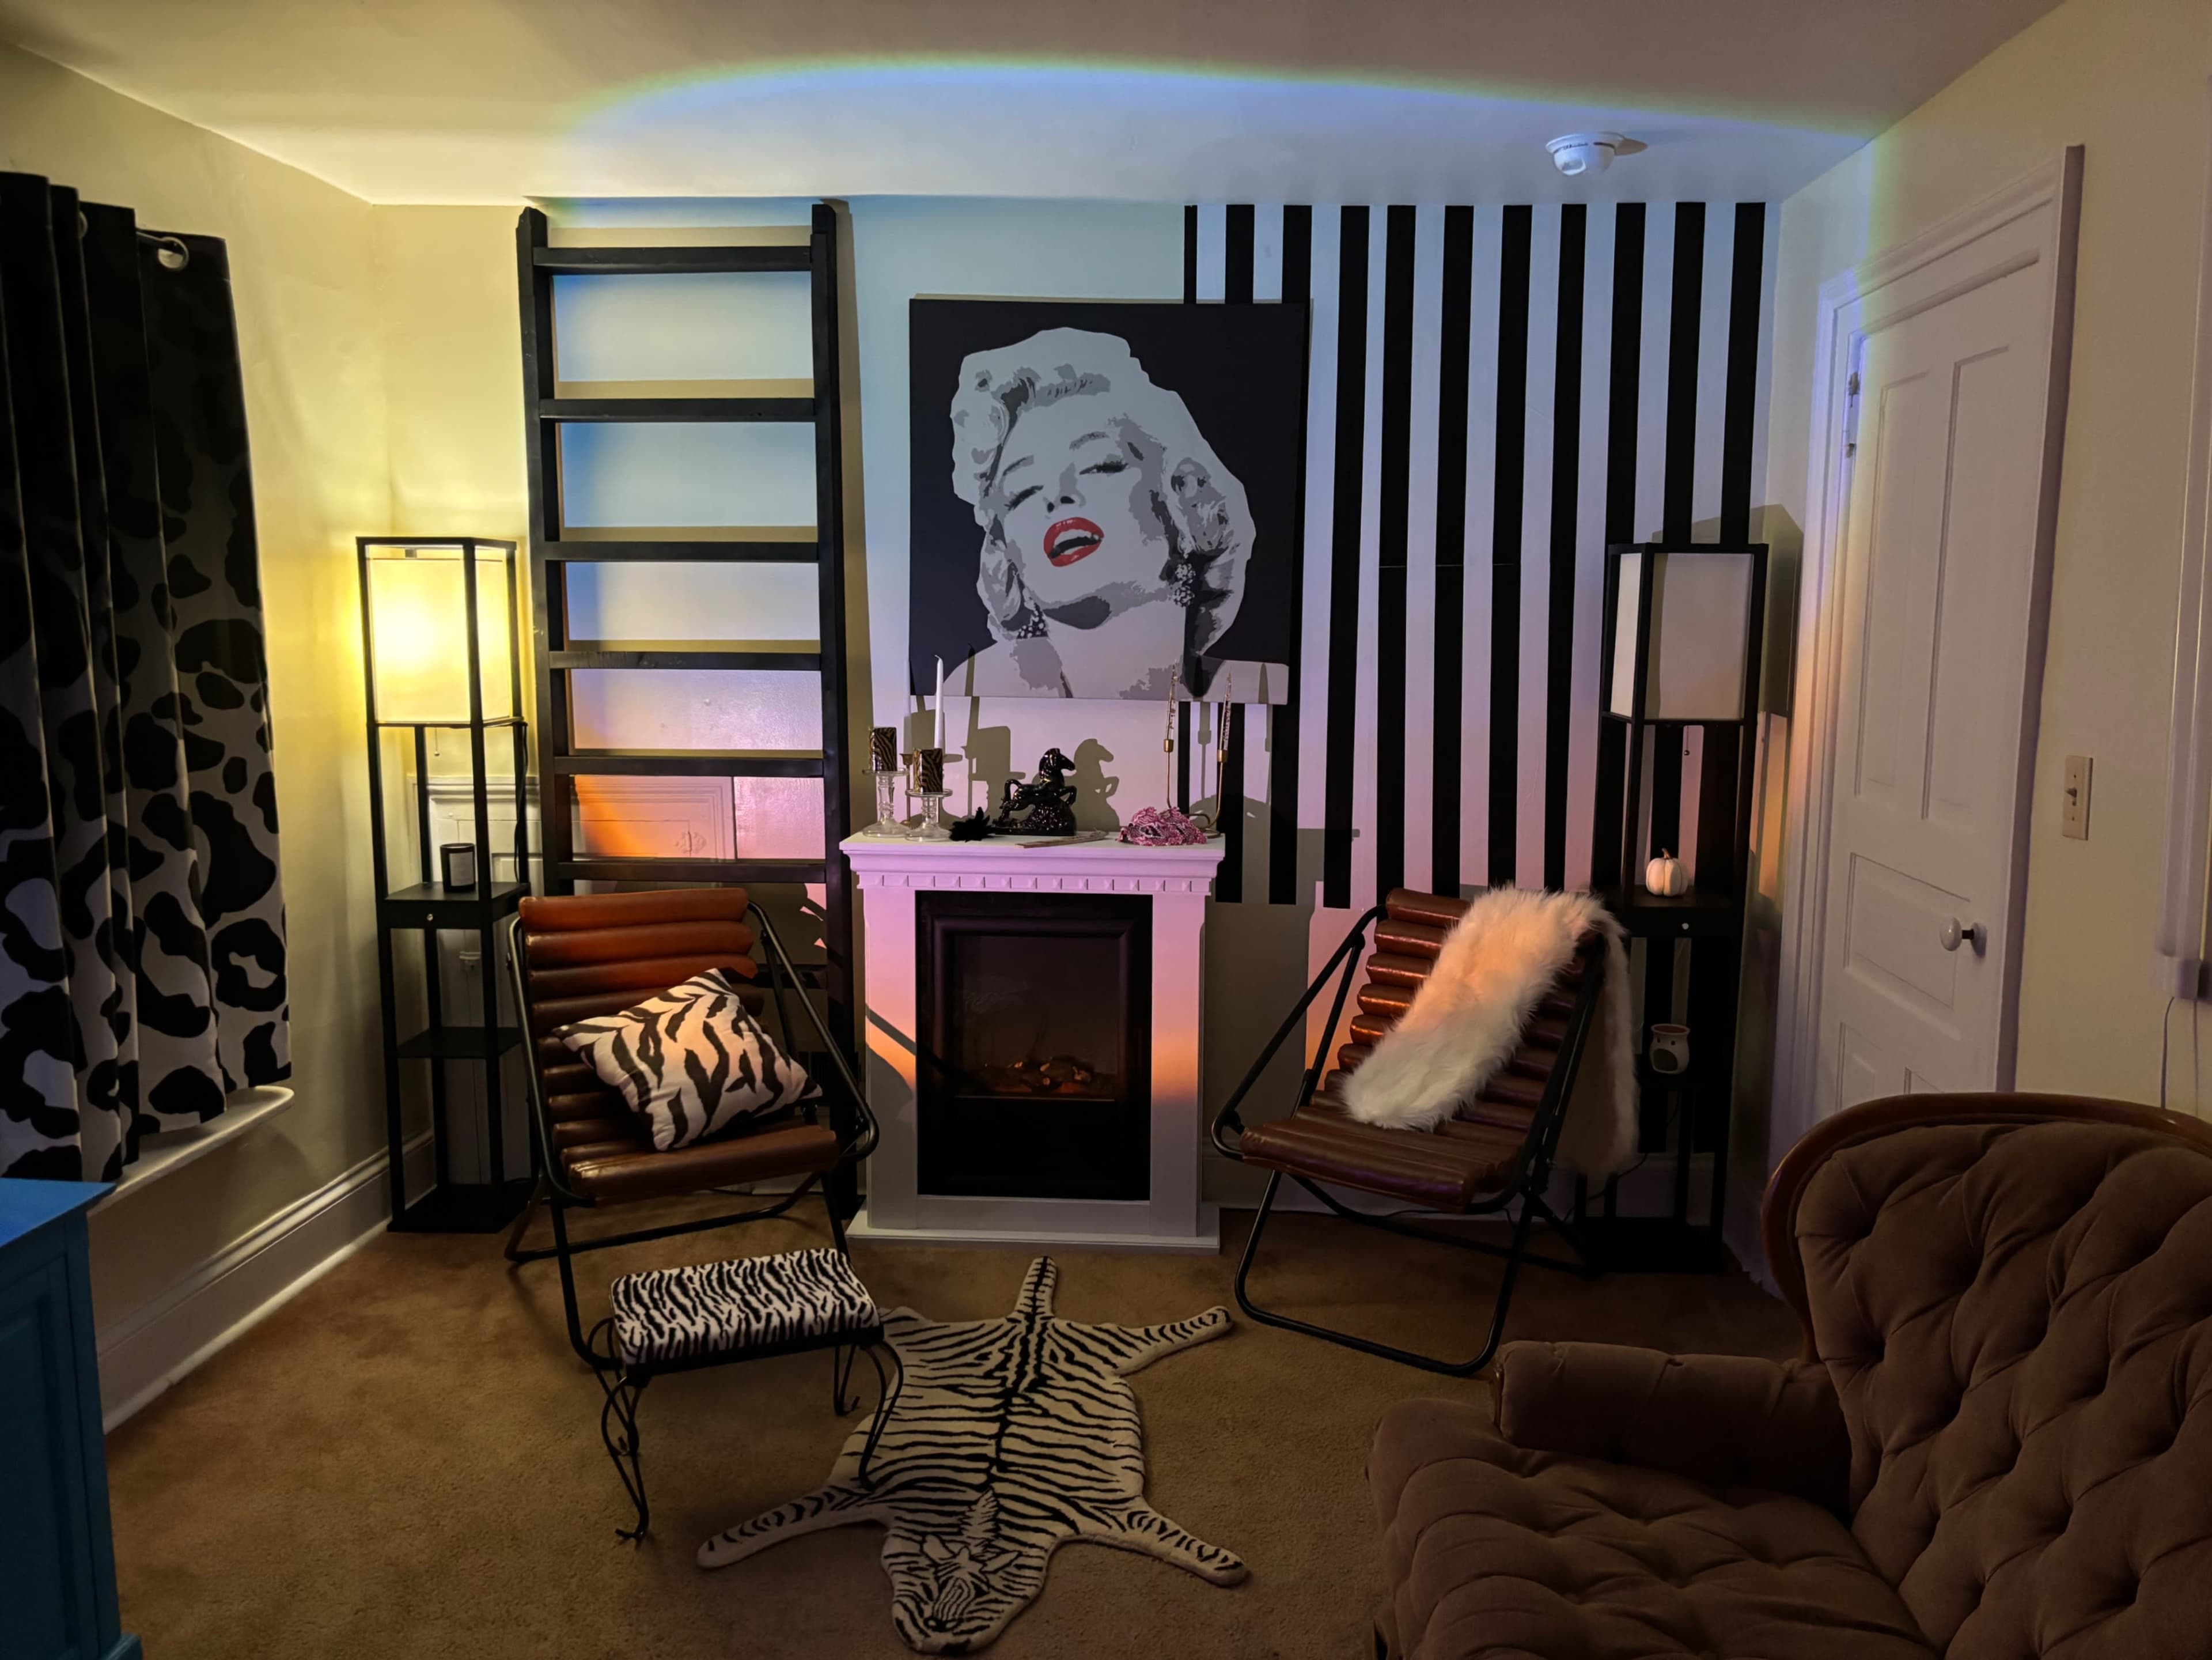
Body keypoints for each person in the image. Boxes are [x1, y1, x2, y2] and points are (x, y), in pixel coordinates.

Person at [945, 327, 1282, 701]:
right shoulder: (974, 695)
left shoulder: (1266, 691)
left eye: (1099, 465)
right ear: (1006, 553)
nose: (1057, 497)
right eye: (1023, 492)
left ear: (1183, 501)